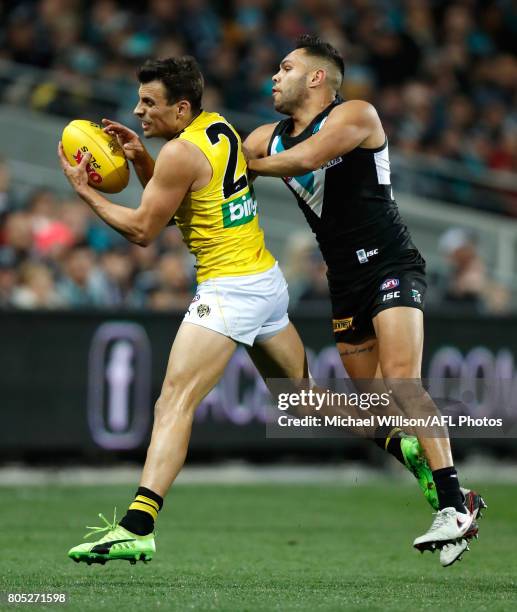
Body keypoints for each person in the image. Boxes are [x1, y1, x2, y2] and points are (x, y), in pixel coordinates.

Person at [58, 55, 448, 566]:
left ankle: (138, 523)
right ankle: (404, 446)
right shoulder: (217, 128)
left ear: (180, 108)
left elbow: (143, 231)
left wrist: (84, 191)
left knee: (173, 400)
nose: (138, 112)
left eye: (149, 103)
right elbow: (186, 198)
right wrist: (140, 162)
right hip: (264, 280)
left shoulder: (179, 152)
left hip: (230, 291)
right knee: (303, 398)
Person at [244, 35, 485, 567]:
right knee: (374, 412)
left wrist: (246, 167)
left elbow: (304, 158)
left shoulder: (355, 114)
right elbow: (213, 170)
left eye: (285, 68)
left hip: (391, 265)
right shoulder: (266, 136)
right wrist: (153, 160)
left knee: (404, 381)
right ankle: (454, 493)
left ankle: (451, 504)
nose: (273, 77)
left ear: (315, 78)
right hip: (346, 283)